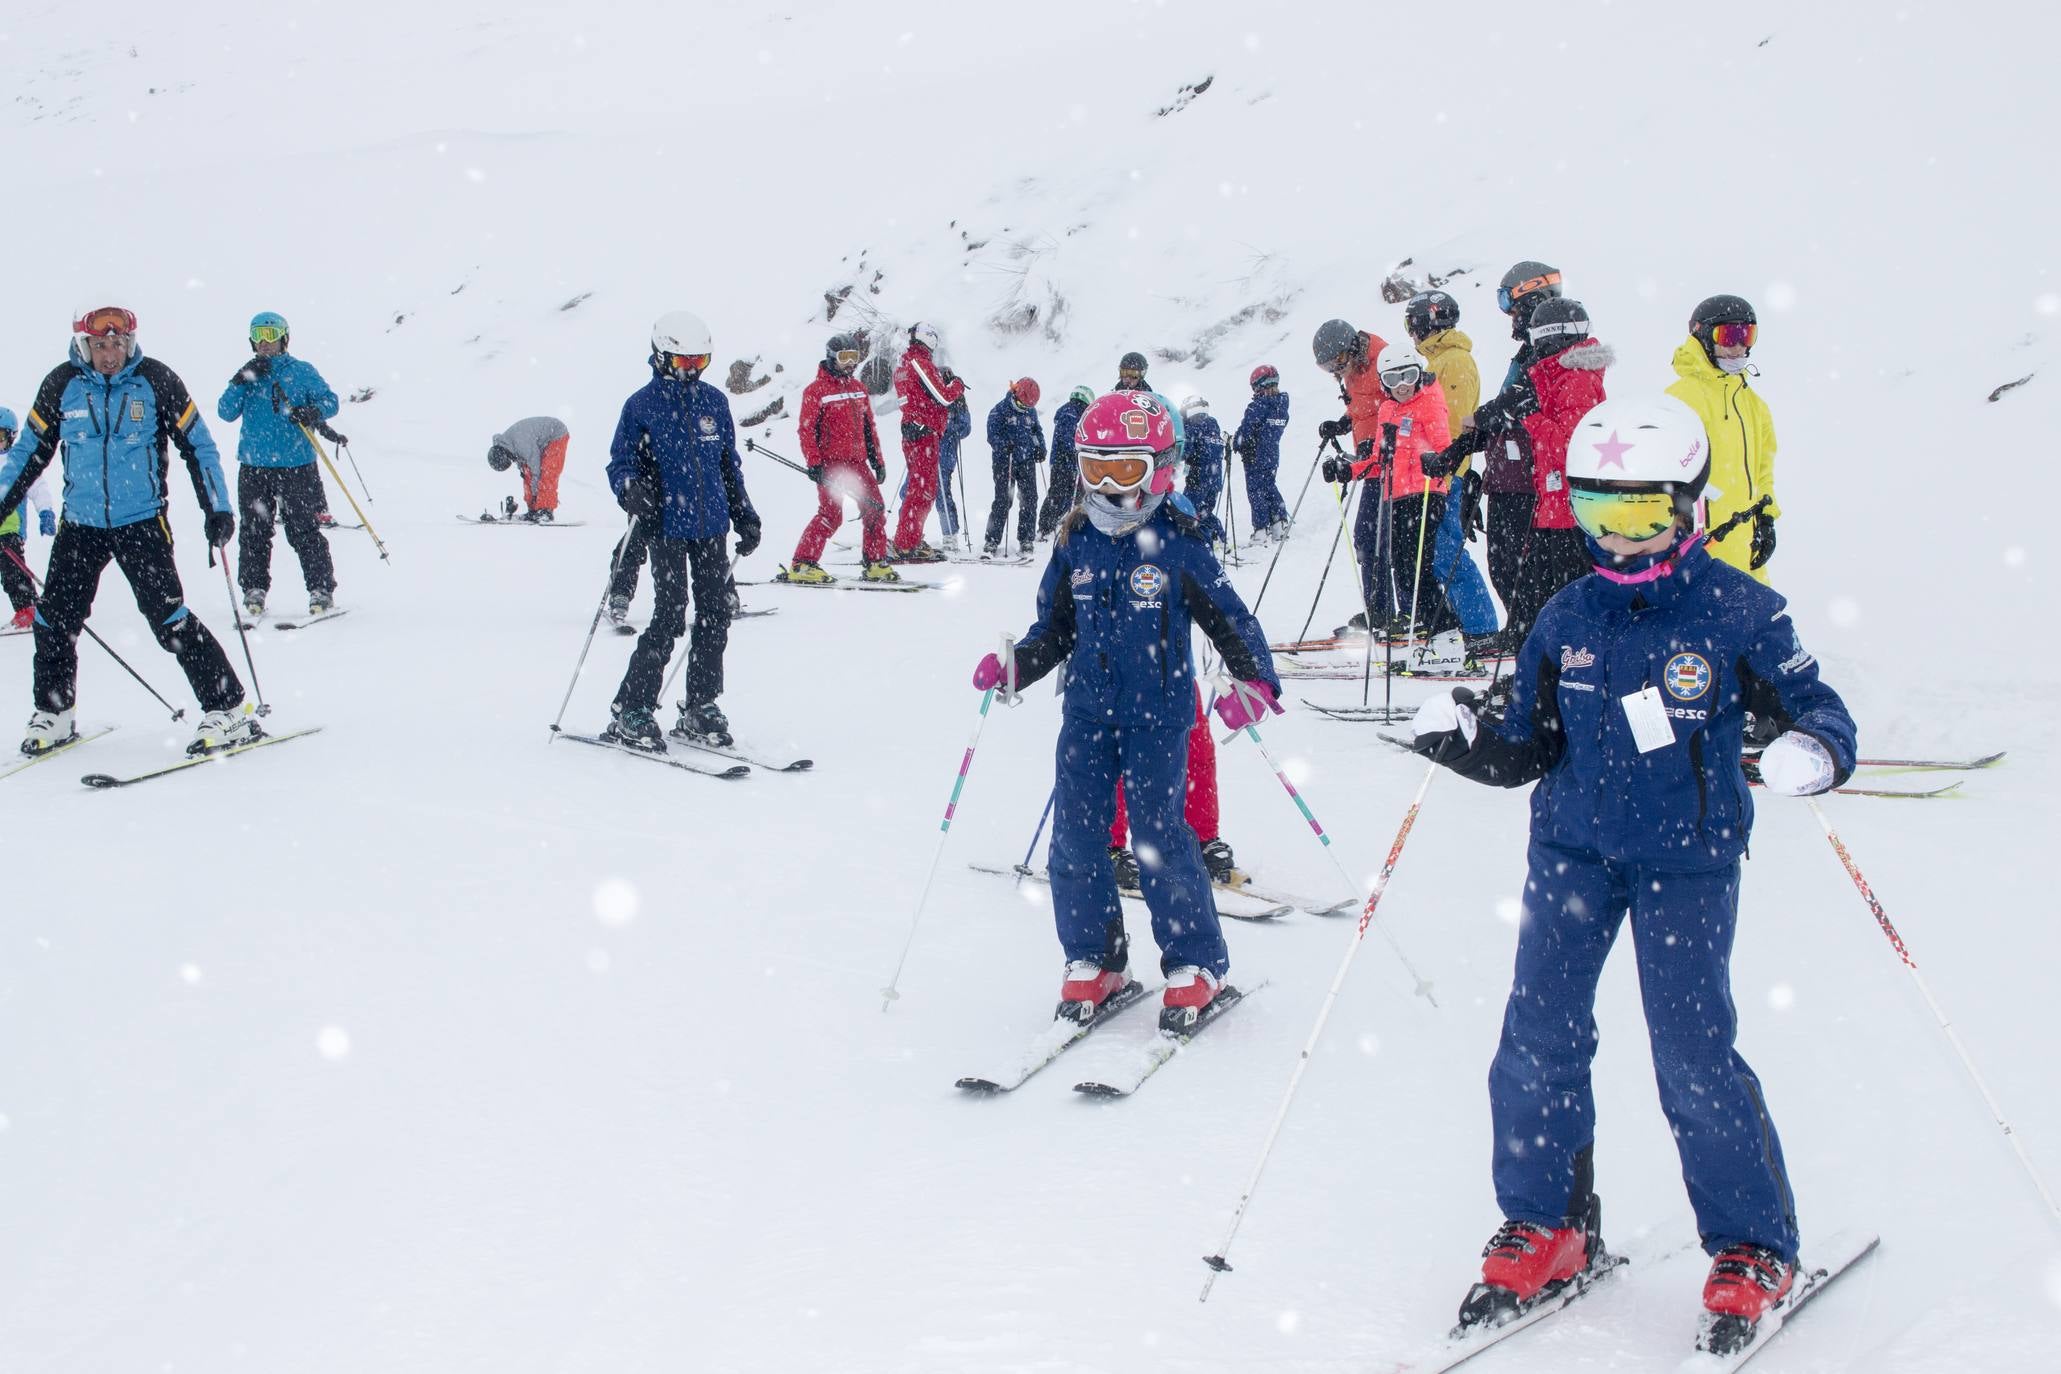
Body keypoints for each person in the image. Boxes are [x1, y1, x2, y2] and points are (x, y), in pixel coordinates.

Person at [1407, 393, 1856, 1352]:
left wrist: (1810, 751)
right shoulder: (1565, 613)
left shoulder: (1738, 609)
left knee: (1692, 1052)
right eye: (1598, 513)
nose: (1620, 538)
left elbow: (1822, 710)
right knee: (1537, 1034)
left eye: (1643, 514)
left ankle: (1752, 1245)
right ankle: (1549, 1223)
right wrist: (1471, 745)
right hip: (1570, 848)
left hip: (1684, 860)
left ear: (1687, 507)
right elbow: (1527, 743)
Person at [973, 390, 1279, 1032]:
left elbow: (1230, 618)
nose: (1109, 487)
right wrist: (1018, 665)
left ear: (1161, 467)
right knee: (1078, 838)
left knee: (1158, 839)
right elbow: (1054, 627)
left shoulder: (1178, 541)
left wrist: (1255, 680)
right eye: (1096, 469)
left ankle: (1196, 963)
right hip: (1086, 712)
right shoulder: (1075, 539)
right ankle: (1096, 958)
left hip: (1159, 715)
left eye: (1126, 469)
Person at [0, 304, 254, 756]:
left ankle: (228, 709)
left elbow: (198, 444)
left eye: (118, 343)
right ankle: (55, 713)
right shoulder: (62, 385)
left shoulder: (156, 380)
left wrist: (216, 506)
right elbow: (28, 452)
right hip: (81, 526)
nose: (110, 354)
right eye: (100, 345)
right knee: (54, 619)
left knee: (168, 620)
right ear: (84, 345)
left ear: (130, 342)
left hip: (142, 523)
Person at [600, 311, 761, 751]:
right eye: (684, 362)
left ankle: (700, 705)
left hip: (710, 526)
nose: (692, 370)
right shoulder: (641, 406)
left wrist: (744, 513)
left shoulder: (714, 402)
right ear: (661, 356)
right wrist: (630, 489)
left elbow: (728, 465)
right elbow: (621, 463)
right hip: (665, 524)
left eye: (701, 362)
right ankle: (632, 708)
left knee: (715, 616)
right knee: (669, 617)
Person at [1445, 261, 1564, 630]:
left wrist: (1476, 422)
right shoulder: (1529, 352)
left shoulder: (1546, 352)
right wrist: (1468, 447)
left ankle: (1530, 632)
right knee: (1506, 563)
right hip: (1510, 474)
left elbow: (1514, 405)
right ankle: (1522, 629)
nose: (1509, 317)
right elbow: (1508, 410)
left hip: (1528, 478)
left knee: (1519, 563)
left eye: (1510, 306)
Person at [1493, 297, 1610, 644]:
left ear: (1554, 338)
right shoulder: (1556, 375)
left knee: (1561, 599)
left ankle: (1565, 670)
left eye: (1540, 340)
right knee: (1540, 598)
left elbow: (1567, 445)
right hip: (1554, 508)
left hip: (1570, 514)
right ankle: (1543, 672)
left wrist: (1529, 415)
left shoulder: (1575, 379)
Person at [1322, 343, 1453, 636]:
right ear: (1384, 383)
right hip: (1396, 496)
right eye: (1393, 380)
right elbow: (1381, 462)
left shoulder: (1429, 402)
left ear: (1418, 374)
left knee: (1418, 568)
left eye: (1408, 376)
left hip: (1426, 491)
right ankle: (1430, 626)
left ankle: (1445, 631)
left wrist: (1438, 462)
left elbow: (1445, 448)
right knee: (1404, 570)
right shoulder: (1388, 410)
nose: (1402, 386)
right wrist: (1348, 470)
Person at [217, 310, 341, 619]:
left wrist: (312, 412)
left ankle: (320, 588)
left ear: (284, 339)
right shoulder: (247, 376)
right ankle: (254, 589)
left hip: (297, 465)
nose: (264, 343)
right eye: (258, 336)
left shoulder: (301, 371)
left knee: (303, 529)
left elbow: (331, 401)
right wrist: (239, 380)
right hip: (254, 466)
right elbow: (225, 411)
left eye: (271, 336)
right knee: (255, 530)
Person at [1407, 291, 1501, 649]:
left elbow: (1454, 423)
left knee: (1447, 551)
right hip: (1436, 471)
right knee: (1437, 552)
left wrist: (1447, 465)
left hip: (1445, 474)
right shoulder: (1440, 360)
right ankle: (1472, 624)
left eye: (1412, 325)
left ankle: (1482, 628)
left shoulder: (1455, 361)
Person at [1668, 295, 1779, 582]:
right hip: (1703, 548)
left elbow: (1763, 469)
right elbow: (1665, 473)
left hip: (1745, 547)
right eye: (1729, 336)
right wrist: (1679, 528)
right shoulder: (1682, 398)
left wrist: (1765, 518)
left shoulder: (1752, 403)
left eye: (1747, 335)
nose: (1739, 346)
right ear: (1703, 336)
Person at [1107, 681, 1242, 889]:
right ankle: (1106, 847)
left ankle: (1199, 841)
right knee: (1115, 747)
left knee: (1195, 746)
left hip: (1174, 664)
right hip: (1116, 666)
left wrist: (1253, 674)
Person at [784, 334, 896, 585]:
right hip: (830, 464)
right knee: (831, 514)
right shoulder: (816, 391)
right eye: (845, 357)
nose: (850, 363)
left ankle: (875, 562)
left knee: (875, 508)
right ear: (832, 356)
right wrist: (814, 462)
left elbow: (869, 428)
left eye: (854, 357)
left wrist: (877, 461)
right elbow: (806, 430)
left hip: (858, 463)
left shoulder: (858, 389)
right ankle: (803, 563)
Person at [889, 322, 964, 562]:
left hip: (914, 431)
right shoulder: (919, 362)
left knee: (917, 489)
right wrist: (957, 385)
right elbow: (943, 395)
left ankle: (909, 538)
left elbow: (920, 393)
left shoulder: (904, 364)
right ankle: (906, 543)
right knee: (923, 490)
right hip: (924, 433)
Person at [0, 407, 59, 631]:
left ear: (11, 436)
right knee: (8, 575)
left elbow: (38, 488)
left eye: (0, 436)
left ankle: (29, 610)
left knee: (13, 573)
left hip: (10, 528)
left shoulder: (17, 461)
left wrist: (45, 512)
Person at [981, 378, 1045, 558]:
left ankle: (1026, 539)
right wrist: (1003, 445)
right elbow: (992, 435)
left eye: (1028, 407)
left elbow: (1036, 431)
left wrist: (1040, 447)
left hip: (1026, 461)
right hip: (1005, 461)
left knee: (1029, 499)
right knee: (1003, 500)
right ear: (1015, 393)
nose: (1024, 409)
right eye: (1022, 405)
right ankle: (991, 540)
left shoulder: (1030, 412)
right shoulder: (999, 410)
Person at [1232, 365, 1291, 543]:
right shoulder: (1281, 405)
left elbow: (1246, 430)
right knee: (1269, 486)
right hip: (1272, 454)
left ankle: (1260, 530)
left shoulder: (1258, 406)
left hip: (1255, 456)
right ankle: (1278, 523)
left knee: (1256, 491)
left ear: (1259, 386)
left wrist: (1237, 442)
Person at [487, 415, 570, 524]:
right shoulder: (508, 445)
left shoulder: (521, 443)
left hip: (556, 434)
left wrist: (537, 496)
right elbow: (529, 474)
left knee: (547, 473)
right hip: (540, 440)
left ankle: (545, 511)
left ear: (505, 456)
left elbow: (536, 470)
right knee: (526, 473)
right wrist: (533, 507)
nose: (511, 462)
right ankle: (533, 510)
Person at [1037, 384, 1092, 538]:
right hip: (1063, 462)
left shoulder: (1076, 413)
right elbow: (1067, 437)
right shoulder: (1070, 413)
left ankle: (1062, 522)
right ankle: (1046, 527)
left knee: (1072, 493)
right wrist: (1076, 450)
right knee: (1058, 493)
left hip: (1071, 462)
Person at [1178, 395, 1227, 550]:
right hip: (1215, 480)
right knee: (1204, 511)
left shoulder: (1192, 428)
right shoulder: (1213, 427)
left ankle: (1206, 539)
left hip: (1198, 478)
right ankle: (1218, 537)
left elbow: (1185, 451)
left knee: (1189, 509)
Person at [938, 377, 973, 552]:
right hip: (922, 454)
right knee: (908, 492)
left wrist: (945, 426)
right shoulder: (932, 396)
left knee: (941, 495)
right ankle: (908, 531)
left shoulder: (958, 402)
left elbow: (965, 428)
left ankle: (950, 535)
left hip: (944, 457)